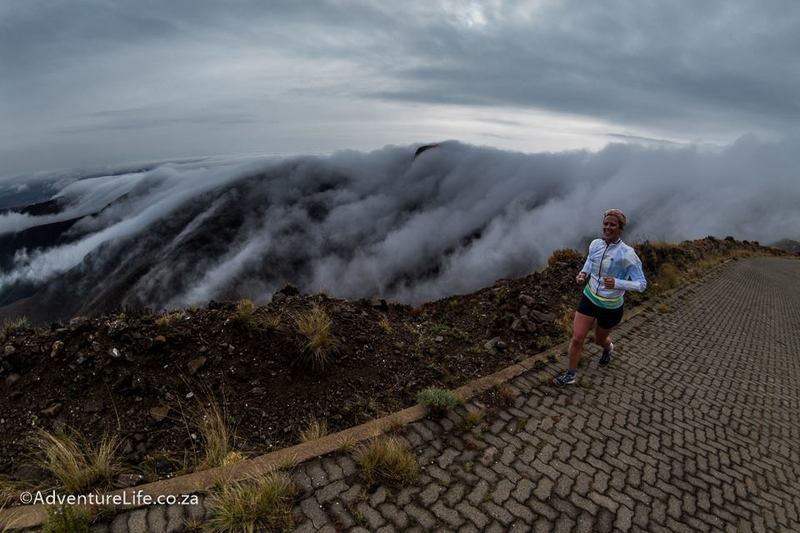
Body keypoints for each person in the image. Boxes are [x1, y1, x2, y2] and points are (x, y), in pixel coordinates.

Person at [553, 209, 647, 386]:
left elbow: (641, 284)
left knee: (599, 339)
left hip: (611, 307)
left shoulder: (627, 254)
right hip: (589, 298)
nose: (607, 227)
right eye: (605, 224)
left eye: (612, 225)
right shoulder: (595, 244)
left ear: (620, 228)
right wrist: (583, 274)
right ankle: (571, 374)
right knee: (577, 338)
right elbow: (590, 261)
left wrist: (618, 283)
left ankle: (608, 348)